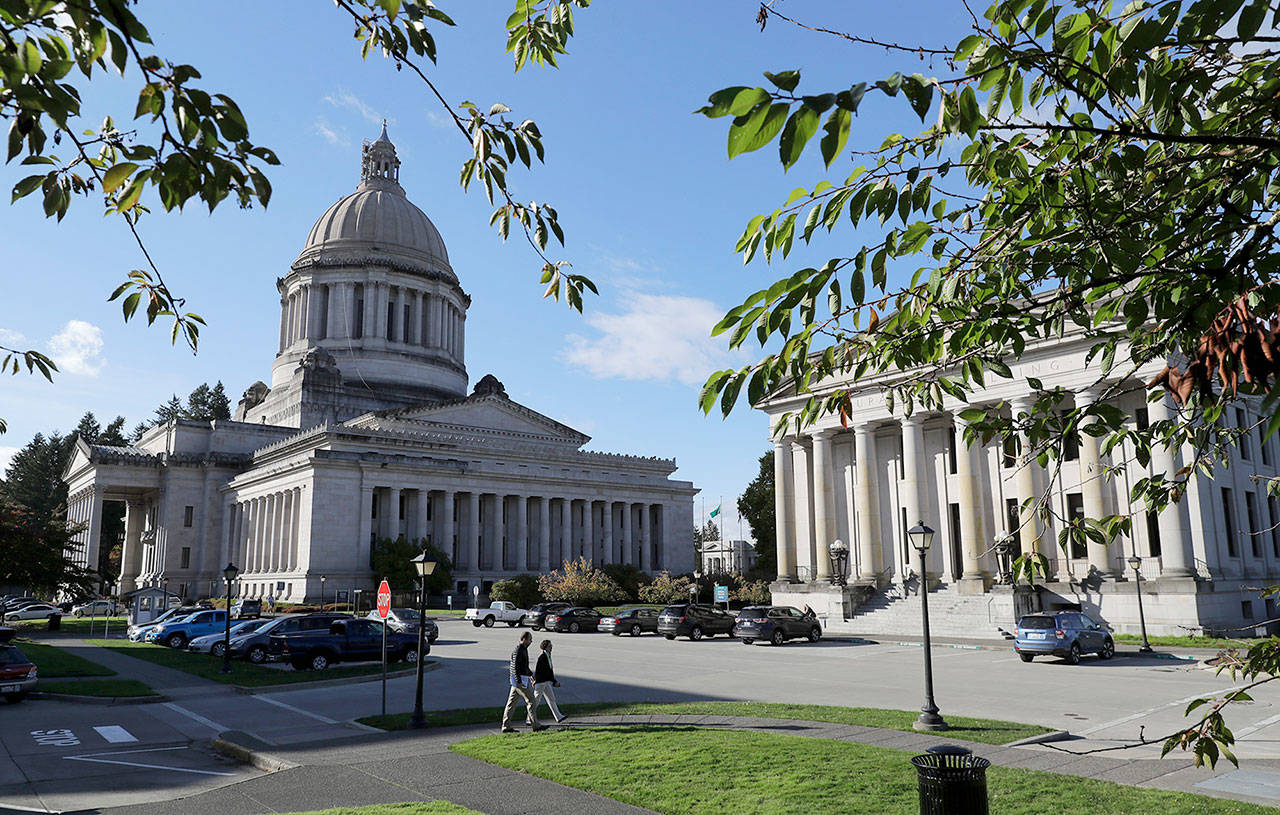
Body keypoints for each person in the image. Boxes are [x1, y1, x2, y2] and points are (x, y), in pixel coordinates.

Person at [501, 631, 543, 733]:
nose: (531, 641)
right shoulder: (519, 650)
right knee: (531, 701)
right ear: (524, 639)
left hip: (516, 682)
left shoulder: (523, 649)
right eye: (530, 639)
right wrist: (519, 681)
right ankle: (535, 725)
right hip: (519, 682)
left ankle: (506, 726)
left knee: (511, 704)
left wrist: (530, 675)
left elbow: (523, 667)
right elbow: (515, 667)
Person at [533, 639, 566, 723]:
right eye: (549, 646)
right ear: (545, 647)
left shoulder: (548, 656)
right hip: (541, 683)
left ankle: (558, 717)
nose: (551, 647)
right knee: (536, 701)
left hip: (546, 682)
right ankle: (529, 719)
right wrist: (554, 681)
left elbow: (550, 671)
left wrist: (553, 681)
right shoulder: (542, 657)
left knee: (551, 699)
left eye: (551, 646)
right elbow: (545, 672)